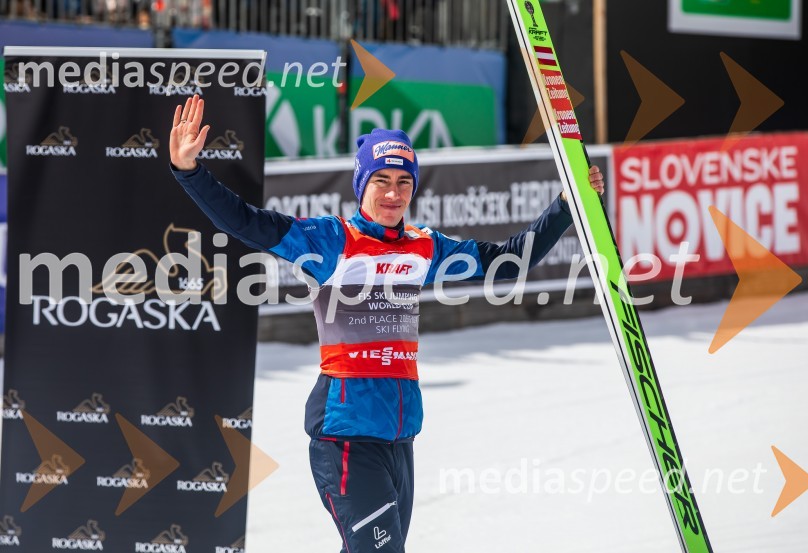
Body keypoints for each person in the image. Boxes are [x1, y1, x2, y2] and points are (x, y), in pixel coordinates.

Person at [170, 95, 604, 552]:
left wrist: (565, 204)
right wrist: (189, 171)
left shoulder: (424, 249)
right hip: (346, 438)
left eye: (403, 181)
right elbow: (248, 224)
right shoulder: (332, 242)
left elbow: (511, 261)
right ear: (362, 185)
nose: (393, 193)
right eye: (381, 181)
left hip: (400, 440)